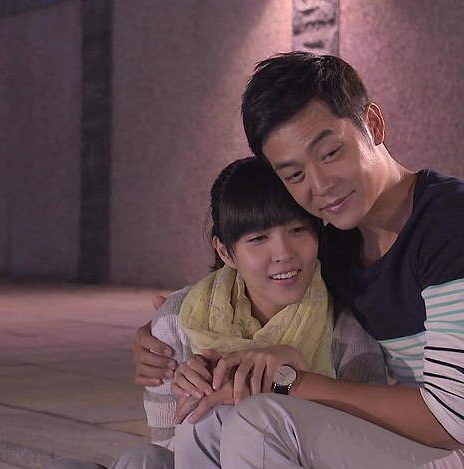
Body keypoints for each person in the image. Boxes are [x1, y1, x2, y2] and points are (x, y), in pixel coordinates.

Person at [134, 51, 464, 469]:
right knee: (208, 421)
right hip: (428, 452)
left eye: (330, 153)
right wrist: (159, 336)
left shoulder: (461, 223)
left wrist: (288, 380)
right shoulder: (338, 243)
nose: (320, 185)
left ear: (372, 124)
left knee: (260, 421)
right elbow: (253, 287)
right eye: (294, 175)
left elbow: (447, 419)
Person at [48, 156, 384, 469]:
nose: (283, 253)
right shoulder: (180, 319)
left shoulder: (344, 326)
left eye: (297, 230)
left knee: (210, 418)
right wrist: (192, 391)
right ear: (225, 251)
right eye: (259, 238)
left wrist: (285, 382)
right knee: (143, 459)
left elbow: (364, 441)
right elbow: (167, 442)